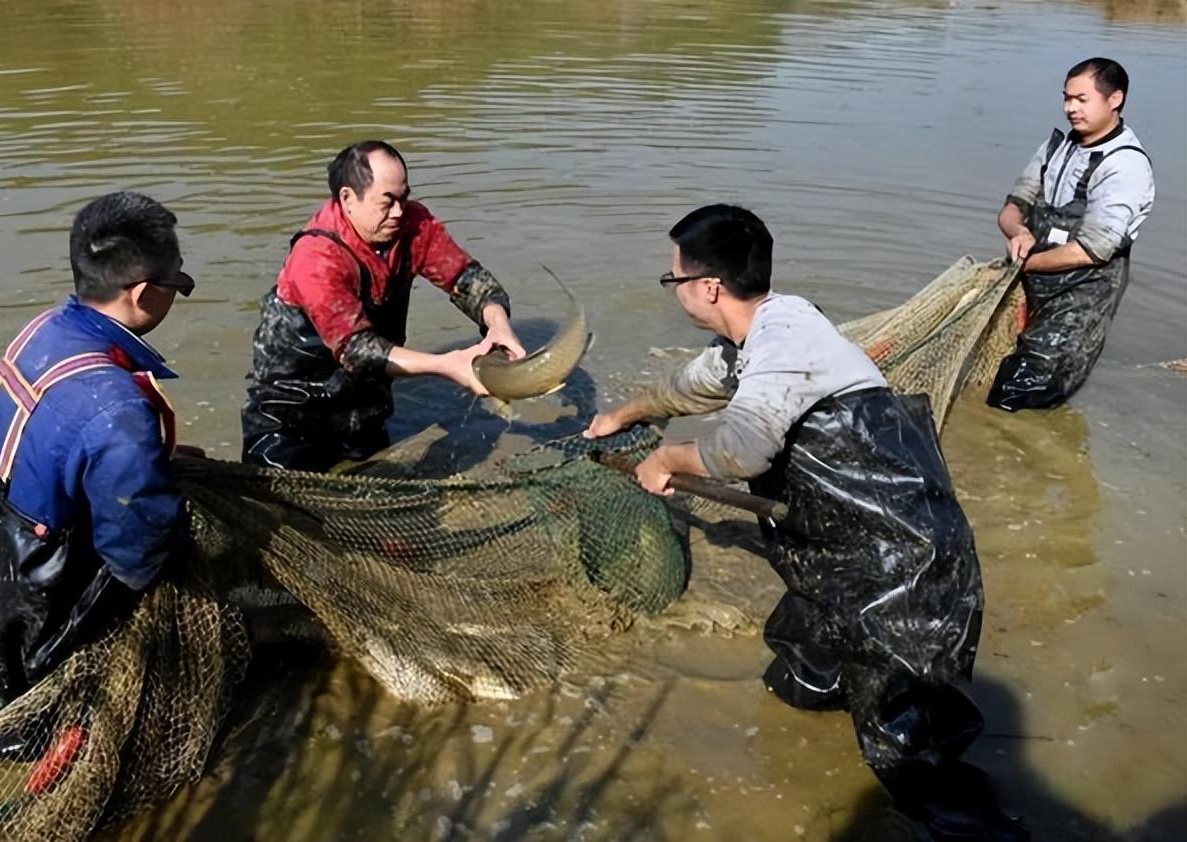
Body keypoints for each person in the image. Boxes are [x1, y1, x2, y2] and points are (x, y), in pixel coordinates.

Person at [586, 205, 1025, 840]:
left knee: (912, 755)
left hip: (906, 565)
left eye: (672, 278)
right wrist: (624, 415)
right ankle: (801, 782)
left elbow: (743, 449)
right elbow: (689, 387)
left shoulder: (784, 338)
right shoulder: (753, 338)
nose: (672, 288)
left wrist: (668, 458)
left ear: (708, 287)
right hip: (834, 554)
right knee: (799, 677)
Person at [0, 191, 196, 748]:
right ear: (142, 293)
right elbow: (140, 554)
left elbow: (53, 446)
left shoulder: (44, 330)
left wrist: (150, 461)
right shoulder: (117, 408)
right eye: (179, 281)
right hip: (37, 613)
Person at [241, 140, 526, 472]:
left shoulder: (413, 226)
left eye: (403, 198)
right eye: (387, 202)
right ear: (348, 198)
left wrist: (498, 324)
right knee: (277, 492)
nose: (399, 212)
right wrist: (447, 365)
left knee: (373, 480)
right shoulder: (316, 255)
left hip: (364, 405)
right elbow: (356, 348)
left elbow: (466, 278)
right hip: (291, 413)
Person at [989, 57, 1154, 411]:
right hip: (1030, 283)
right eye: (1066, 98)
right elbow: (1013, 206)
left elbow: (1093, 250)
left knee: (1016, 395)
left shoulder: (1124, 164)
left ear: (1115, 99)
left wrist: (1024, 264)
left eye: (1081, 99)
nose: (1070, 108)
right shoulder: (1056, 147)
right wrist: (1018, 231)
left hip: (1079, 300)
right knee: (993, 382)